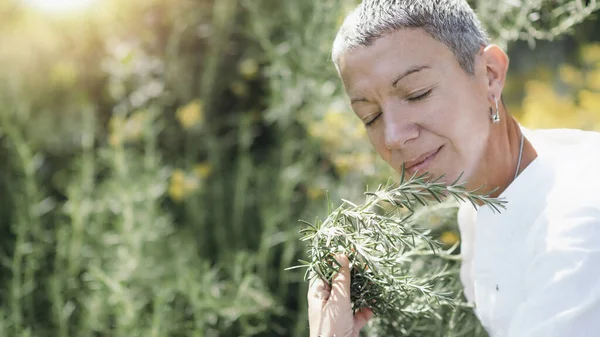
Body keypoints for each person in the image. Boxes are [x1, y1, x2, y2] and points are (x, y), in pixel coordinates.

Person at [307, 0, 600, 336]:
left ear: (489, 74)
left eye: (417, 93)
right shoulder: (479, 195)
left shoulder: (580, 234)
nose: (393, 136)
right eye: (370, 117)